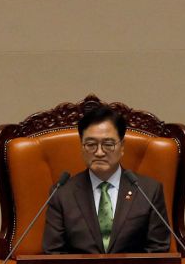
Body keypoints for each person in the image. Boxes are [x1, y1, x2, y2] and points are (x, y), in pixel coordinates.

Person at [40, 105, 172, 254]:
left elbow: (158, 251)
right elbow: (53, 254)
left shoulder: (149, 191)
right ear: (82, 147)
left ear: (122, 147)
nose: (99, 152)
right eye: (91, 144)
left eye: (108, 144)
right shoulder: (62, 194)